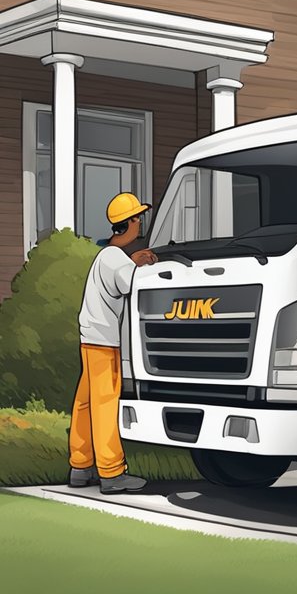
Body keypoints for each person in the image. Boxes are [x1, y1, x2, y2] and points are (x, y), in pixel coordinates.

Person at [68, 193, 159, 494]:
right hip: (104, 341)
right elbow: (131, 284)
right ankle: (111, 472)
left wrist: (134, 261)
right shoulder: (115, 259)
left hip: (89, 337)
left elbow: (123, 272)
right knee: (106, 403)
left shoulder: (106, 256)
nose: (140, 224)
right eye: (138, 219)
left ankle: (80, 466)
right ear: (130, 223)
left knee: (86, 403)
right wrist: (143, 265)